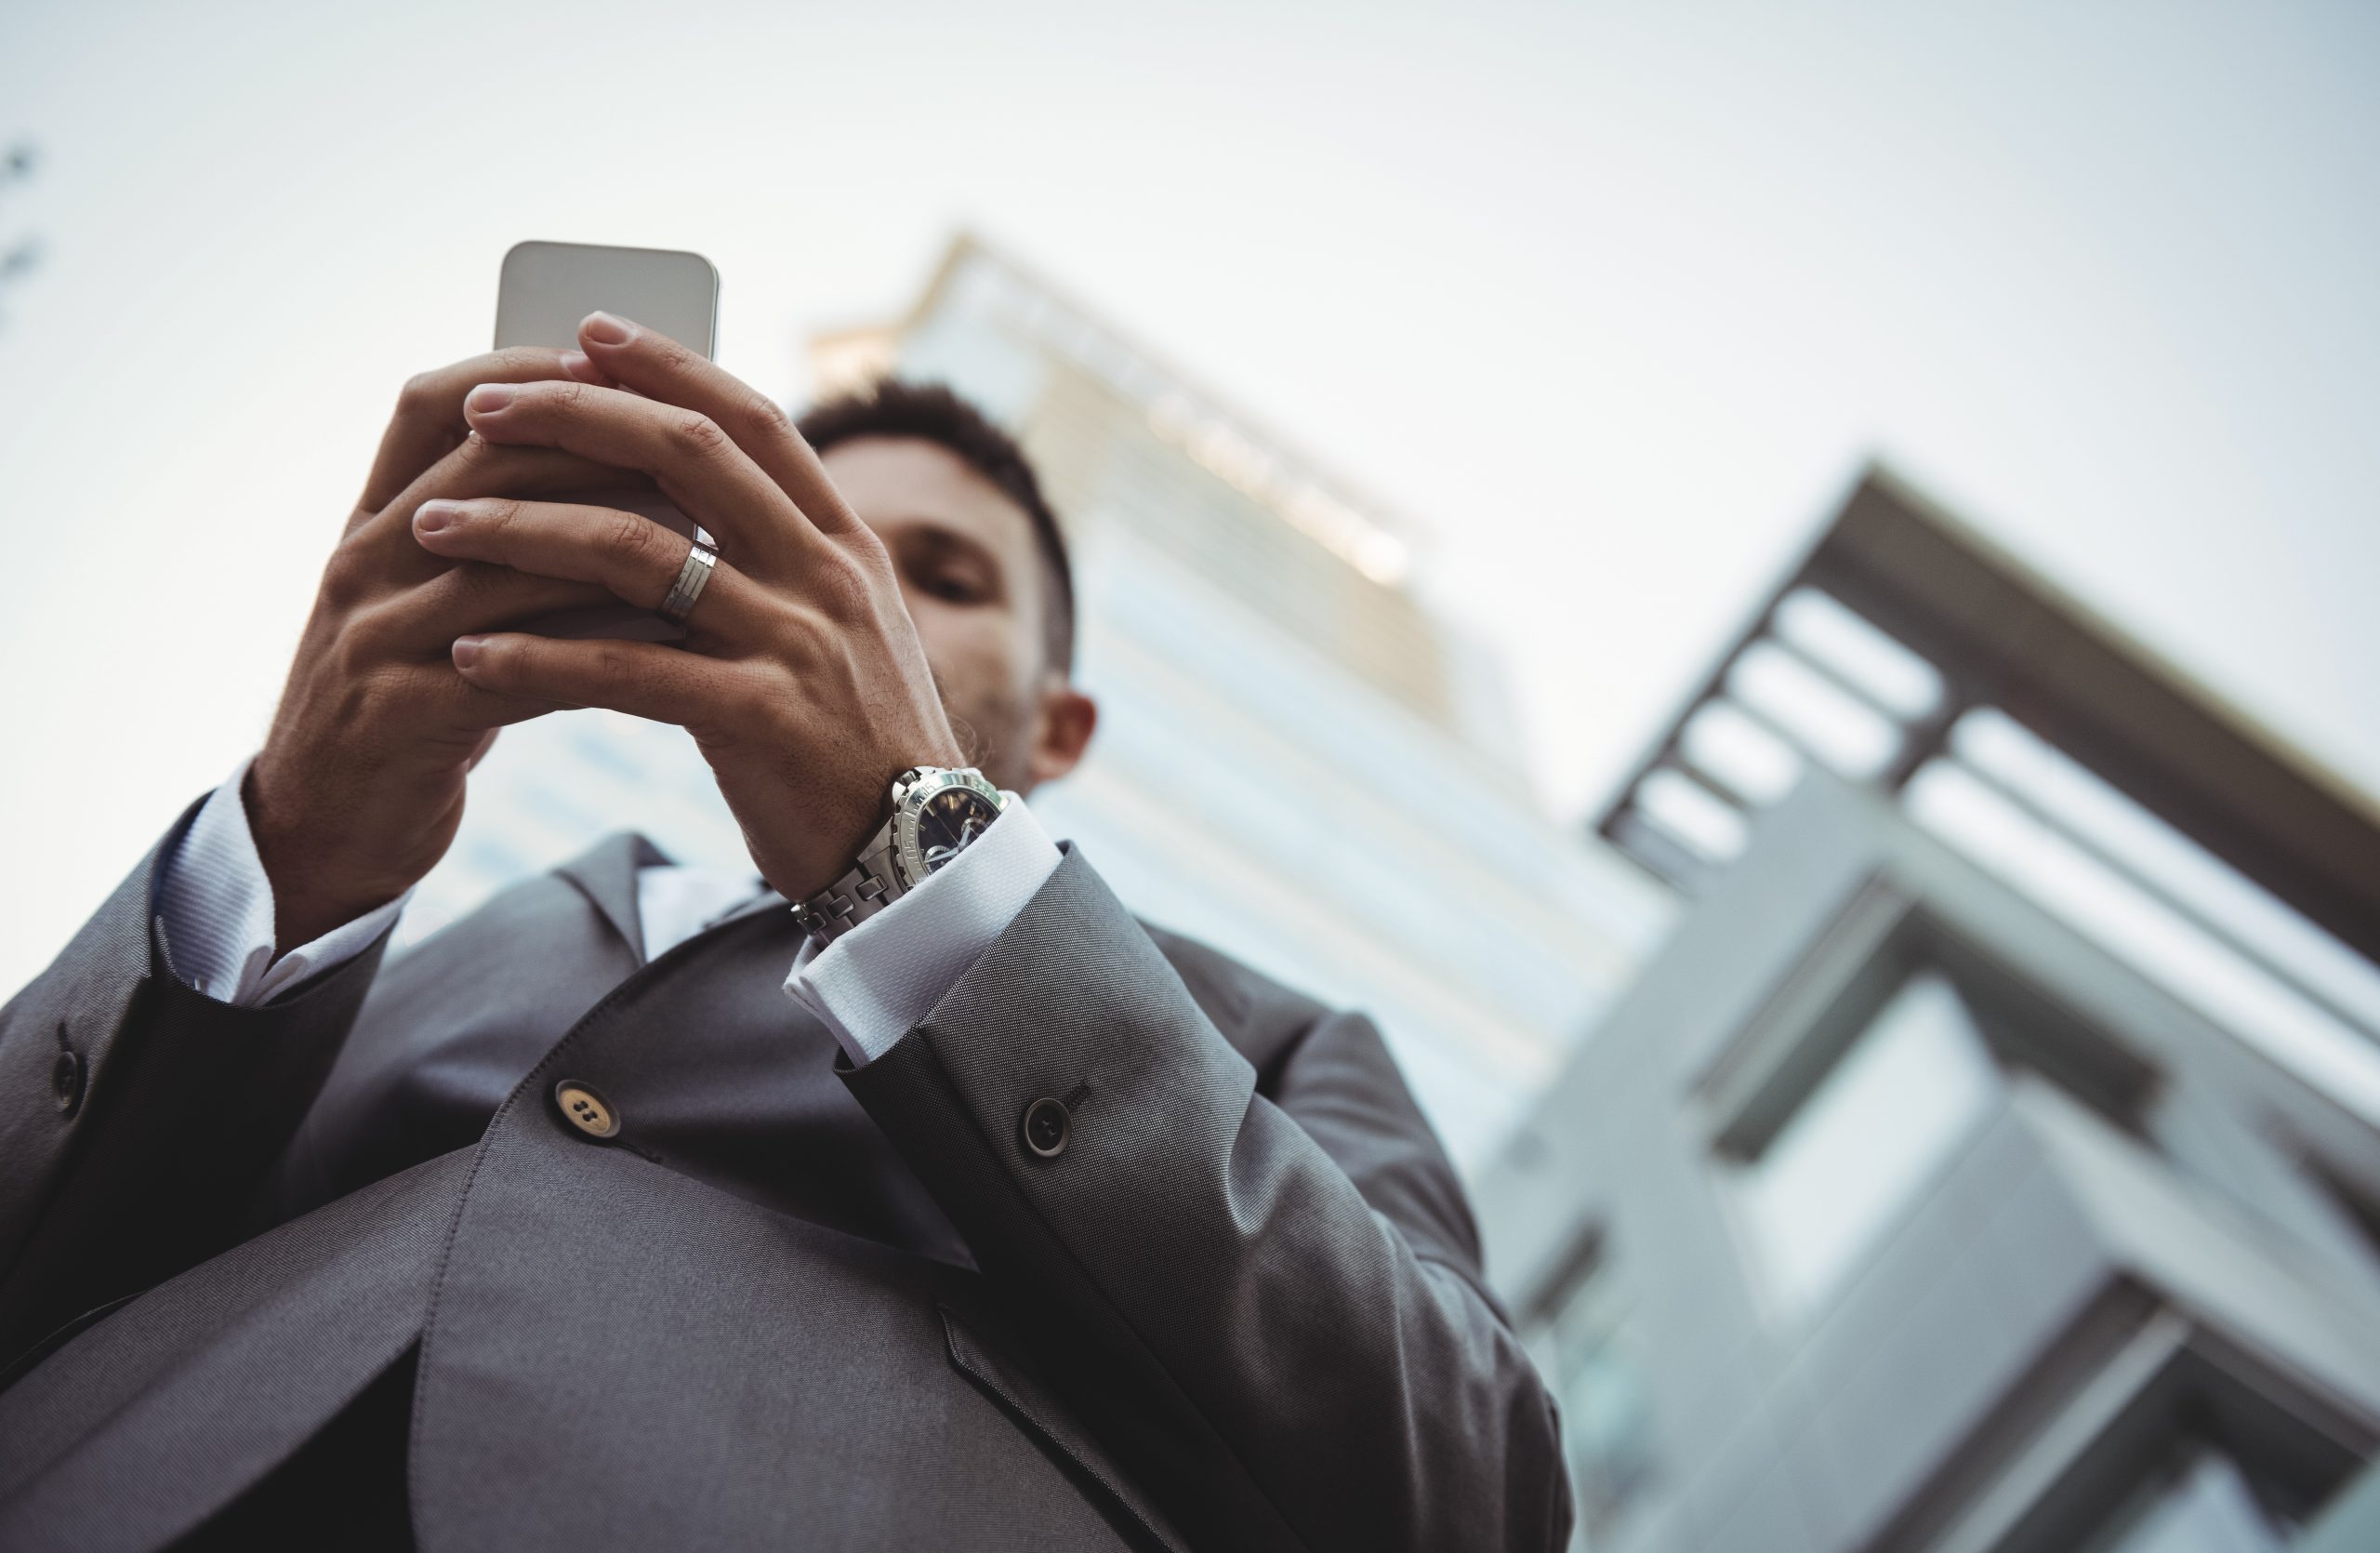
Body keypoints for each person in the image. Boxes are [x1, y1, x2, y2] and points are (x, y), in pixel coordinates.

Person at [0, 313, 1572, 1552]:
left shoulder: (1278, 1031)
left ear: (1064, 721)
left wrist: (918, 858)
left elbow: (1470, 1494)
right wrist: (281, 850)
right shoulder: (446, 932)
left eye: (934, 578)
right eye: (805, 536)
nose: (845, 591)